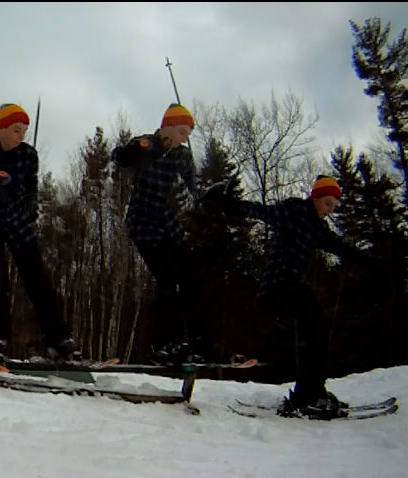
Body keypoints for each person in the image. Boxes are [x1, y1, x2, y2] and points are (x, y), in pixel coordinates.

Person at [202, 175, 361, 419]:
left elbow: (338, 246)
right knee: (314, 328)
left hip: (292, 285)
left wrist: (368, 262)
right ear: (316, 198)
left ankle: (311, 392)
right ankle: (309, 397)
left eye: (334, 207)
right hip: (278, 284)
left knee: (316, 330)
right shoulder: (294, 210)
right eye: (328, 203)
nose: (330, 211)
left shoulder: (319, 228)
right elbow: (261, 211)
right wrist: (226, 202)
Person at [0, 103, 78, 364]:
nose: (21, 135)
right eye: (16, 130)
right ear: (2, 128)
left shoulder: (28, 154)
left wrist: (31, 205)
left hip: (17, 222)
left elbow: (32, 186)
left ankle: (57, 337)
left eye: (24, 131)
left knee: (37, 277)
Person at [112, 103, 221, 364]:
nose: (184, 139)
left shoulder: (182, 156)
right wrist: (134, 150)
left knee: (191, 278)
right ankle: (162, 344)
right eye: (182, 132)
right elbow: (118, 158)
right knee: (167, 276)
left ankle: (199, 344)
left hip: (166, 222)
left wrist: (212, 194)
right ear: (168, 127)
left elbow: (194, 188)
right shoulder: (147, 144)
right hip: (143, 221)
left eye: (187, 135)